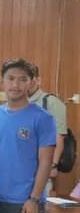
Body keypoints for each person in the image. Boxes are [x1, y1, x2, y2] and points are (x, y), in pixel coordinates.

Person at [0, 59, 57, 213]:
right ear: (2, 82)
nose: (15, 85)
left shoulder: (43, 118)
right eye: (10, 79)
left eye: (22, 79)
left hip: (25, 202)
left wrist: (34, 199)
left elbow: (46, 162)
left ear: (31, 83)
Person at [29, 64, 68, 194]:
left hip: (42, 167)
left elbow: (59, 137)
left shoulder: (51, 102)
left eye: (30, 79)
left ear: (38, 80)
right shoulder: (17, 102)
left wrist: (53, 165)